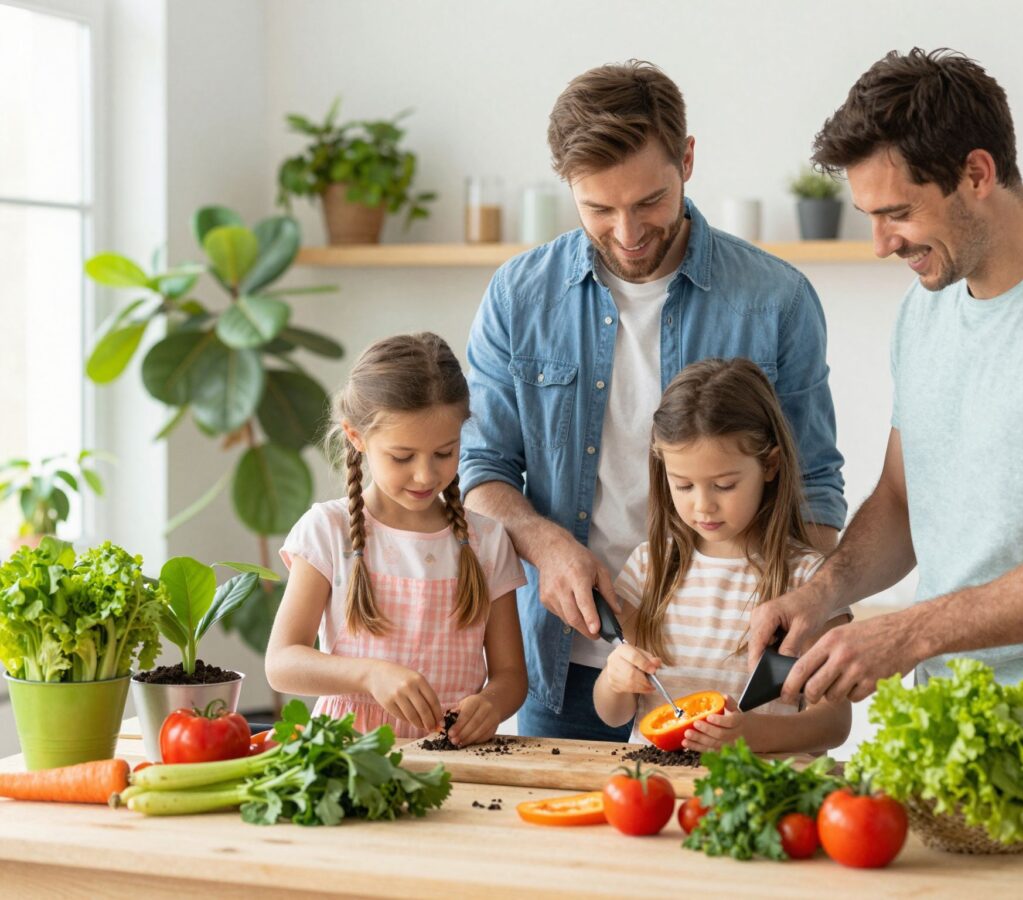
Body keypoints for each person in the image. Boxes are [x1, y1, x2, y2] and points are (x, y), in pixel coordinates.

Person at [748, 48, 1023, 774]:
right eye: (871, 216)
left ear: (977, 174)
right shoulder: (925, 313)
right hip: (948, 733)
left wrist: (911, 632)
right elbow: (901, 500)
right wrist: (823, 591)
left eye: (897, 213)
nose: (882, 243)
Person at [460, 60, 847, 741]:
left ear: (687, 160)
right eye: (598, 209)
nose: (628, 231)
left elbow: (812, 482)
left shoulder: (776, 299)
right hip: (568, 664)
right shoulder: (518, 297)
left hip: (732, 677)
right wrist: (546, 546)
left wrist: (801, 613)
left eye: (649, 202)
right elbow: (481, 471)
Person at [265, 333, 528, 747]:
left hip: (452, 757)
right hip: (346, 752)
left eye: (444, 453)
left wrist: (491, 704)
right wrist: (369, 674)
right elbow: (281, 663)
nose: (425, 475)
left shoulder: (487, 539)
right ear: (356, 437)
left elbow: (510, 676)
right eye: (402, 457)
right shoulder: (326, 530)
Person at [593, 359, 852, 753]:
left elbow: (834, 722)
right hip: (663, 793)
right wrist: (615, 680)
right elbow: (612, 714)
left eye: (725, 485)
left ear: (770, 465)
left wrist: (750, 735)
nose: (703, 506)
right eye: (683, 486)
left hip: (761, 794)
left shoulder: (810, 581)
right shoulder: (649, 567)